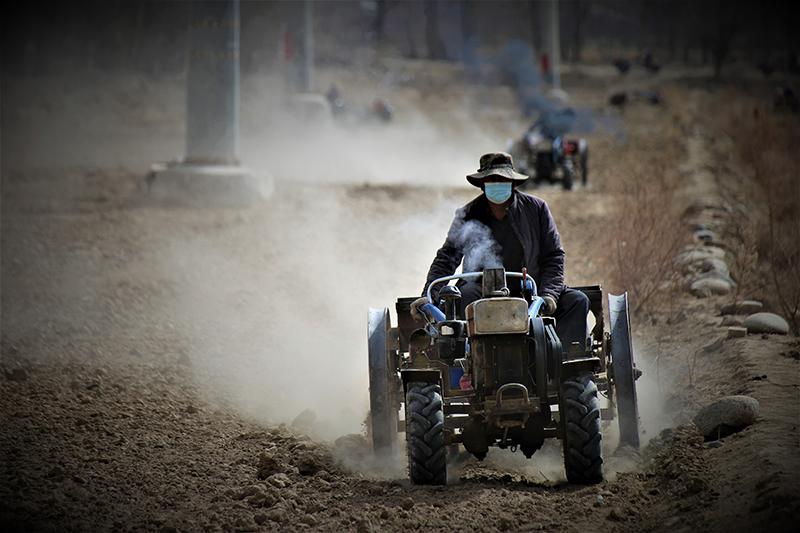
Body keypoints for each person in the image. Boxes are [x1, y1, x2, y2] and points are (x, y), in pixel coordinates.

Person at [412, 152, 589, 353]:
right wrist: (430, 294)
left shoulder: (536, 209)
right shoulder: (468, 214)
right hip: (480, 292)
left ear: (513, 183)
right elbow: (446, 258)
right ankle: (472, 363)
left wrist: (548, 295)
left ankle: (564, 366)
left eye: (503, 179)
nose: (498, 184)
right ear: (482, 184)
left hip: (531, 290)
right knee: (465, 296)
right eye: (492, 180)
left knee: (577, 301)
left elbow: (553, 256)